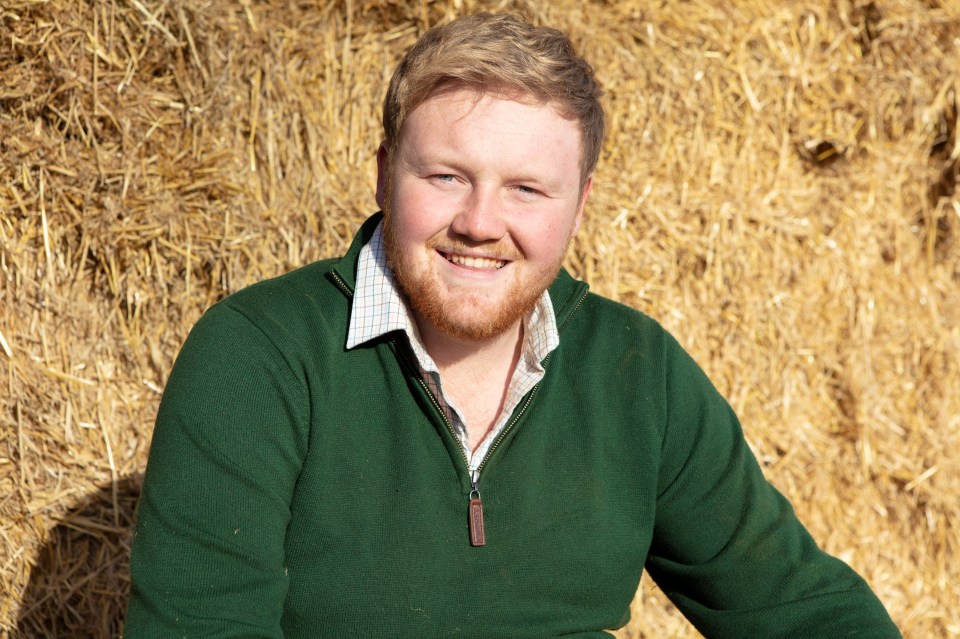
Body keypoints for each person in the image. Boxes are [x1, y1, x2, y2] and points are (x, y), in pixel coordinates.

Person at [125, 13, 901, 638]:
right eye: (446, 176)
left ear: (581, 205)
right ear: (383, 172)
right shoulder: (258, 357)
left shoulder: (636, 372)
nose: (480, 222)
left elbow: (797, 602)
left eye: (527, 189)